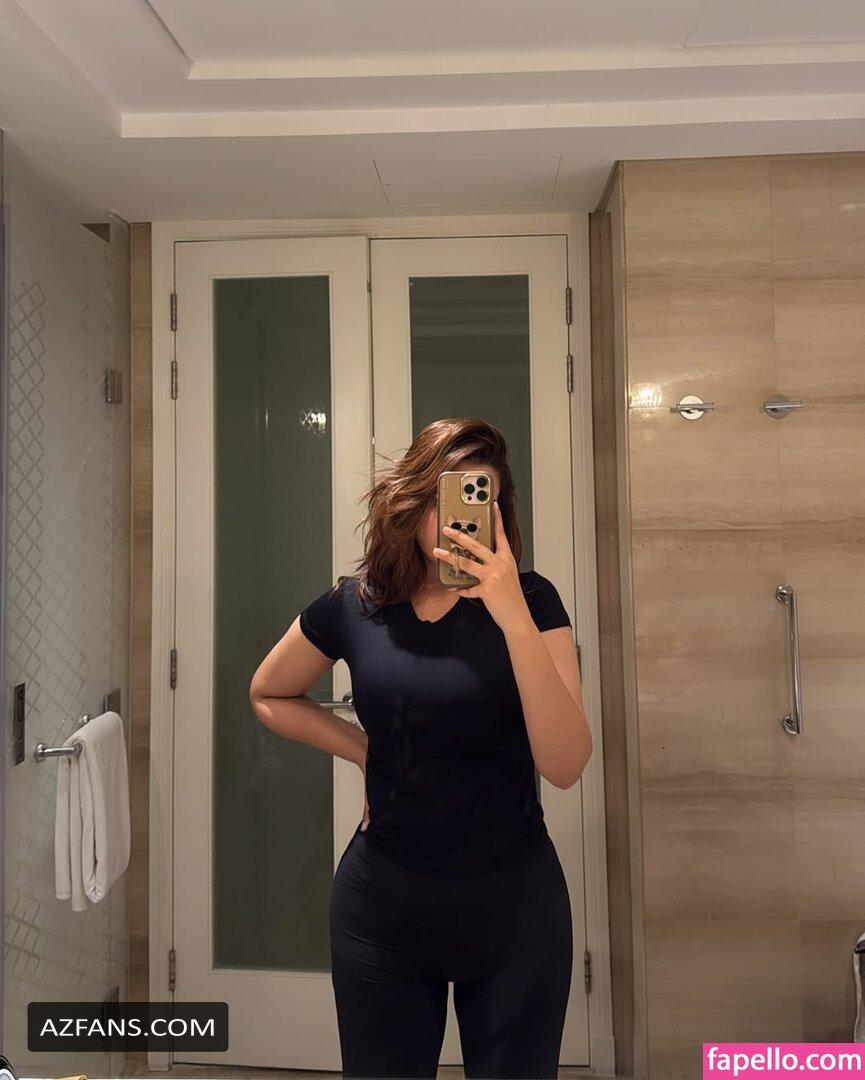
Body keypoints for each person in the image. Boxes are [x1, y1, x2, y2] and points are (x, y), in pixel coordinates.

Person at [250, 417, 592, 1080]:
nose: (459, 520)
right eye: (446, 498)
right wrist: (362, 750)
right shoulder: (356, 605)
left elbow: (565, 764)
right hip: (382, 914)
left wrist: (511, 615)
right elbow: (269, 693)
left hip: (516, 915)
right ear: (410, 504)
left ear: (499, 515)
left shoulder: (533, 601)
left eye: (480, 500)